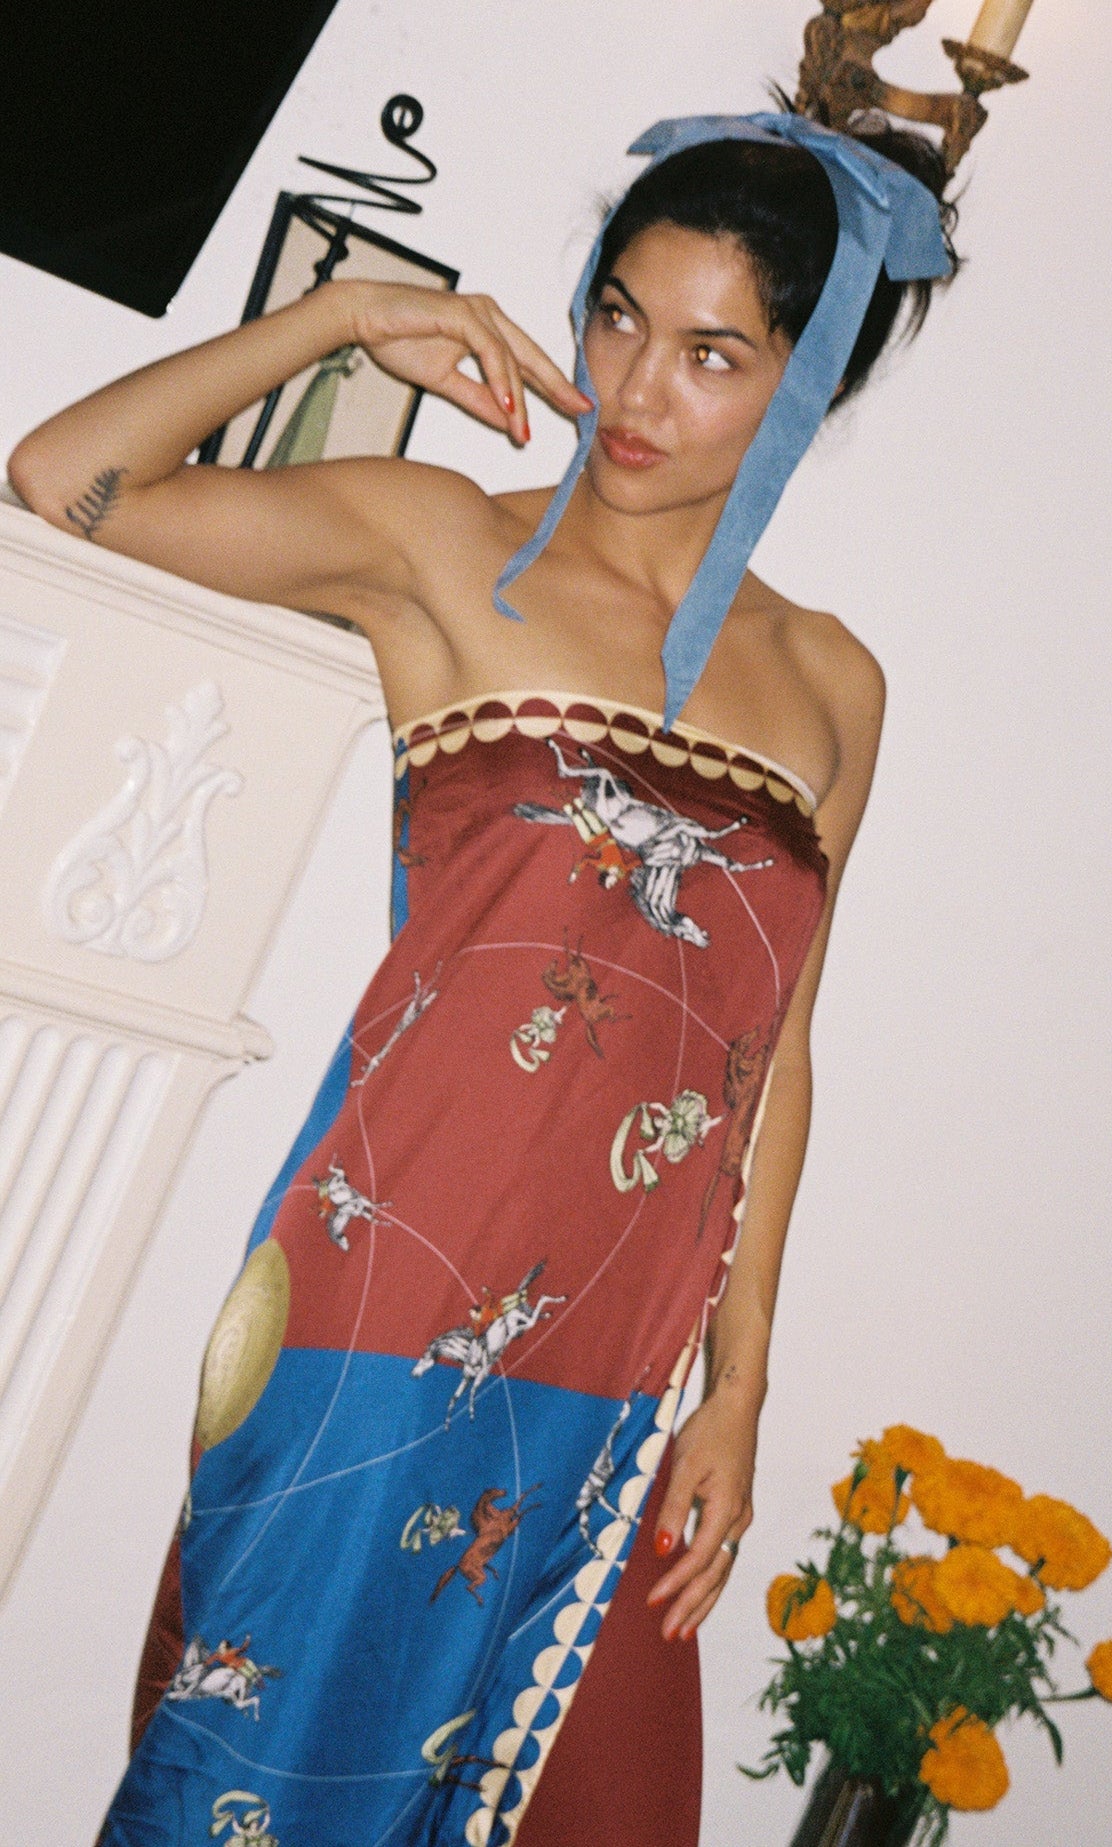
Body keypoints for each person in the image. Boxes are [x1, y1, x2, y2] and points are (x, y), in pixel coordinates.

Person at [9, 108, 957, 1847]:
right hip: (378, 1306)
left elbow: (778, 1057)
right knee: (257, 1795)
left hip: (620, 1354)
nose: (630, 389)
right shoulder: (441, 540)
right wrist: (338, 317)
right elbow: (70, 476)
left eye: (709, 355)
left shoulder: (833, 684)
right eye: (614, 316)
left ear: (803, 389)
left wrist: (736, 1391)